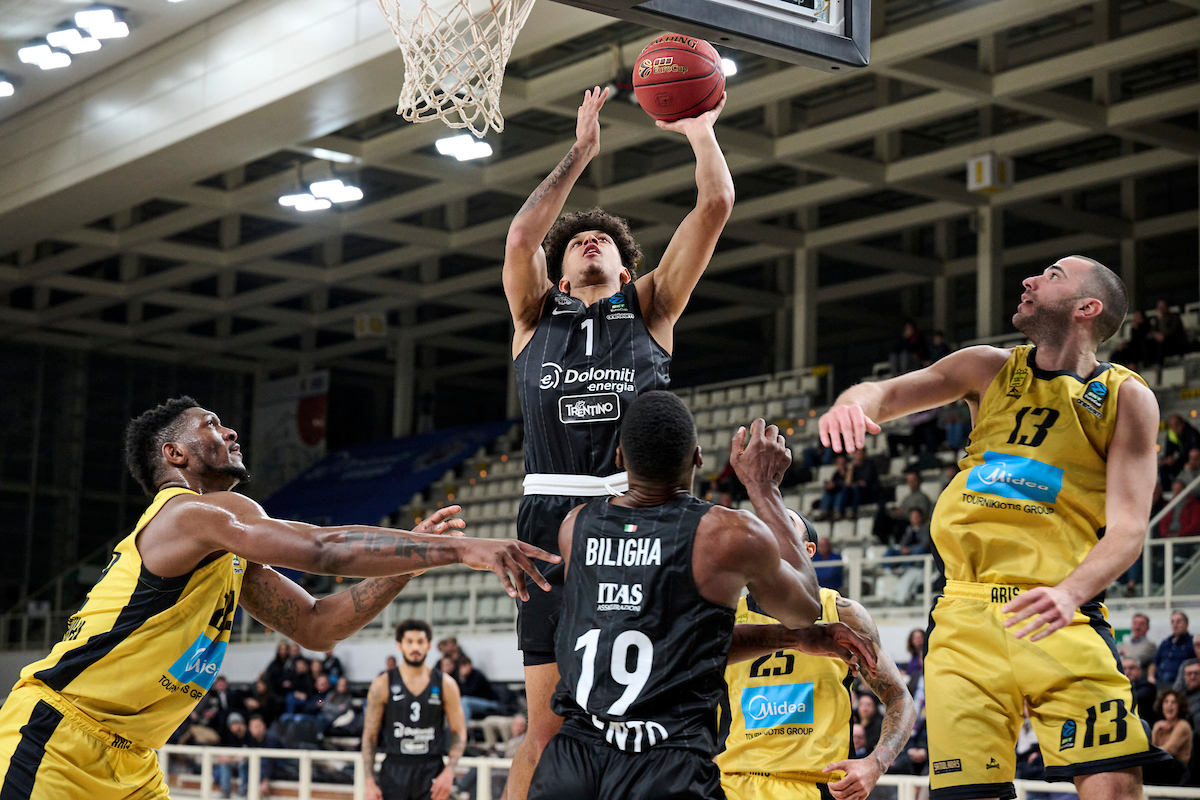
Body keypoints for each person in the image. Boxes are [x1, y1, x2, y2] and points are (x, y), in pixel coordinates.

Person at [0, 397, 557, 800]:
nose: (230, 432)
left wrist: (407, 565)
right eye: (210, 425)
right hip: (59, 736)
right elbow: (321, 549)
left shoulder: (220, 550)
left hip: (133, 760)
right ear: (175, 453)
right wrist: (458, 550)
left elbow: (316, 626)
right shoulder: (189, 513)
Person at [819, 254, 1171, 800]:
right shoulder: (987, 367)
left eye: (1052, 276)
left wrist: (1069, 593)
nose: (1030, 279)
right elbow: (882, 394)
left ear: (1087, 308)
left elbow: (1128, 529)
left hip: (1058, 610)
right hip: (964, 616)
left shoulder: (1127, 397)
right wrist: (849, 404)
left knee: (1114, 789)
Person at [501, 83, 736, 800]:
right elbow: (520, 239)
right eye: (576, 242)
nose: (587, 241)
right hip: (550, 521)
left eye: (600, 239)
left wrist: (700, 129)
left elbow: (715, 205)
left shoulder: (651, 307)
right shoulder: (533, 316)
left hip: (641, 517)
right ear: (559, 272)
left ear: (626, 270)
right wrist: (580, 153)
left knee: (651, 720)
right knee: (547, 730)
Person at [525, 395, 876, 800]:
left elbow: (672, 644)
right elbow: (804, 609)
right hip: (665, 759)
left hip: (575, 757)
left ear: (619, 457)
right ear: (697, 456)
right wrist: (764, 489)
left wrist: (791, 639)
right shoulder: (725, 534)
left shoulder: (575, 527)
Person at [717, 510, 917, 800]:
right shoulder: (724, 619)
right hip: (735, 784)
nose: (772, 527)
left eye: (784, 524)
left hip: (819, 785)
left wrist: (875, 764)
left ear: (809, 550)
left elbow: (899, 697)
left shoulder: (843, 613)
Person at [362, 620, 467, 800]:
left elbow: (459, 731)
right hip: (394, 770)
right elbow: (370, 735)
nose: (415, 647)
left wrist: (449, 772)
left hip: (431, 770)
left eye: (420, 642)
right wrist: (369, 782)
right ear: (399, 645)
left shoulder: (446, 684)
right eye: (409, 642)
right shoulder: (382, 684)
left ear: (429, 645)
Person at [245, 714, 285, 798]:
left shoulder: (272, 739)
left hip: (280, 766)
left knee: (262, 762)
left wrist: (265, 780)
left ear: (263, 726)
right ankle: (245, 791)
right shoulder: (252, 739)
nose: (255, 729)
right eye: (253, 727)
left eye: (257, 726)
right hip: (264, 768)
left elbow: (272, 761)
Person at [455, 657, 504, 721]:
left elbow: (469, 692)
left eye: (464, 666)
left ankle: (464, 725)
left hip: (490, 702)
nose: (462, 670)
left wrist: (462, 680)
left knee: (464, 701)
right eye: (461, 667)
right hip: (476, 702)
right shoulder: (465, 677)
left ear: (470, 665)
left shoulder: (477, 676)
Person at [1152, 691, 1192, 766]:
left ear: (1180, 706)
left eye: (1174, 702)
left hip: (1178, 769)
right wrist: (1155, 730)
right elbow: (1152, 746)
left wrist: (1149, 753)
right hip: (1161, 765)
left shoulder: (1183, 726)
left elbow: (1168, 751)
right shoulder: (1158, 725)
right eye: (1166, 702)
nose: (1169, 705)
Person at [216, 712, 250, 798]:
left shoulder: (248, 734)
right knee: (224, 764)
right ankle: (225, 792)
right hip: (233, 761)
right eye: (233, 724)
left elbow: (246, 755)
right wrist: (230, 758)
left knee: (243, 763)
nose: (235, 726)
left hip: (246, 763)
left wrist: (233, 758)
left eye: (237, 723)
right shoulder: (228, 736)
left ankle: (243, 792)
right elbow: (226, 755)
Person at [1157, 611, 1194, 686]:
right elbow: (1154, 662)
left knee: (1167, 677)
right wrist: (1150, 677)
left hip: (1178, 680)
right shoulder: (1166, 642)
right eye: (1172, 622)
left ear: (1186, 624)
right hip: (1159, 677)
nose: (1175, 625)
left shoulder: (1192, 642)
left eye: (1178, 622)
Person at [1161, 415, 1200, 487]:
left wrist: (1190, 461)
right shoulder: (1171, 435)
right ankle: (1168, 489)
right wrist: (1168, 459)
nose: (1174, 428)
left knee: (1190, 465)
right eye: (1172, 425)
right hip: (1180, 460)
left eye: (1176, 425)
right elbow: (1168, 453)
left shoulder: (1191, 432)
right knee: (1163, 468)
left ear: (1182, 424)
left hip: (1191, 460)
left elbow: (1195, 450)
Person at [1122, 658, 1156, 725]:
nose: (1127, 672)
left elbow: (1136, 698)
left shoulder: (1148, 686)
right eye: (1124, 668)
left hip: (1142, 724)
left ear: (1139, 670)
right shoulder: (1116, 686)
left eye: (1131, 668)